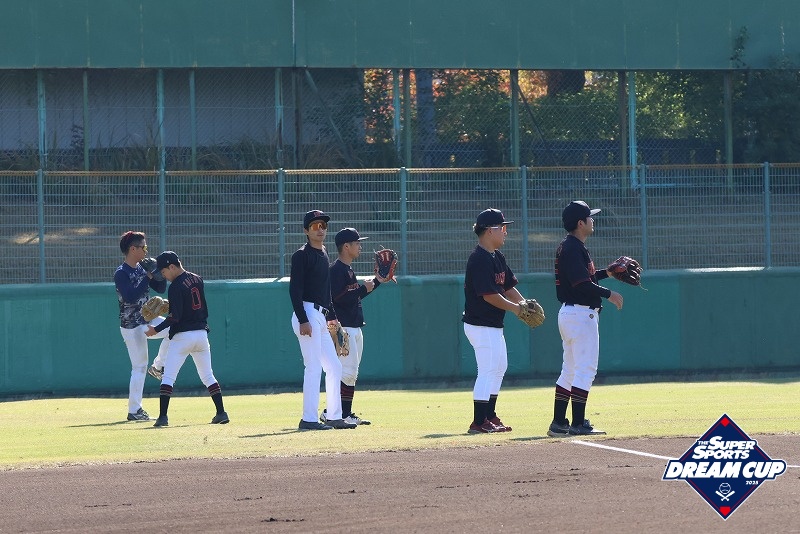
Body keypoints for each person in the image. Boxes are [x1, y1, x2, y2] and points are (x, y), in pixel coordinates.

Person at [547, 201, 624, 437]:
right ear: (581, 223)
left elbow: (584, 278)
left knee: (570, 370)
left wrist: (607, 273)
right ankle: (578, 423)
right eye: (590, 217)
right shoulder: (573, 248)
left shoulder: (571, 246)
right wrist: (610, 294)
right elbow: (582, 283)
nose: (593, 220)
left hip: (572, 313)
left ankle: (559, 422)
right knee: (585, 370)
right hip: (581, 314)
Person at [462, 208, 532, 434]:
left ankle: (489, 415)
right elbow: (490, 295)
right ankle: (478, 421)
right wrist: (516, 309)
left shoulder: (497, 256)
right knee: (487, 369)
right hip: (480, 324)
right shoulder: (479, 259)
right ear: (489, 231)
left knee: (499, 367)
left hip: (492, 324)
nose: (505, 232)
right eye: (502, 228)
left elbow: (508, 287)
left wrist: (524, 303)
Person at [289, 211, 357, 430]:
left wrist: (332, 319)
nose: (320, 229)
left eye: (323, 225)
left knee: (334, 366)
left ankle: (334, 416)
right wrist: (303, 319)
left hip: (321, 315)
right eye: (315, 225)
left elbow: (326, 290)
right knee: (313, 367)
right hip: (307, 313)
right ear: (306, 230)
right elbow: (295, 290)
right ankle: (308, 419)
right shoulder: (301, 255)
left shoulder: (324, 252)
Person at [145, 251, 228, 427]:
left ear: (172, 267)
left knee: (168, 377)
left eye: (164, 271)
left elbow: (174, 317)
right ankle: (221, 413)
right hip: (201, 334)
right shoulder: (197, 279)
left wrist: (155, 330)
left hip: (183, 336)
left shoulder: (175, 286)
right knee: (208, 376)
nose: (164, 276)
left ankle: (162, 417)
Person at [321, 227, 386, 426]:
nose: (360, 246)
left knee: (351, 373)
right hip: (343, 328)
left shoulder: (347, 269)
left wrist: (377, 282)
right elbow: (338, 298)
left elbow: (354, 296)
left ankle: (342, 413)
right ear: (346, 247)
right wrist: (362, 288)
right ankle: (334, 413)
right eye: (357, 243)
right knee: (345, 373)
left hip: (354, 326)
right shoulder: (336, 270)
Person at [114, 231, 171, 421]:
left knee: (175, 329)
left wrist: (157, 274)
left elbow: (161, 289)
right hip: (131, 326)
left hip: (148, 320)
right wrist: (147, 277)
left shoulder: (142, 267)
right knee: (138, 367)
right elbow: (130, 296)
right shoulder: (121, 273)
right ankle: (134, 411)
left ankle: (158, 366)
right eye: (143, 247)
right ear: (133, 249)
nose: (146, 250)